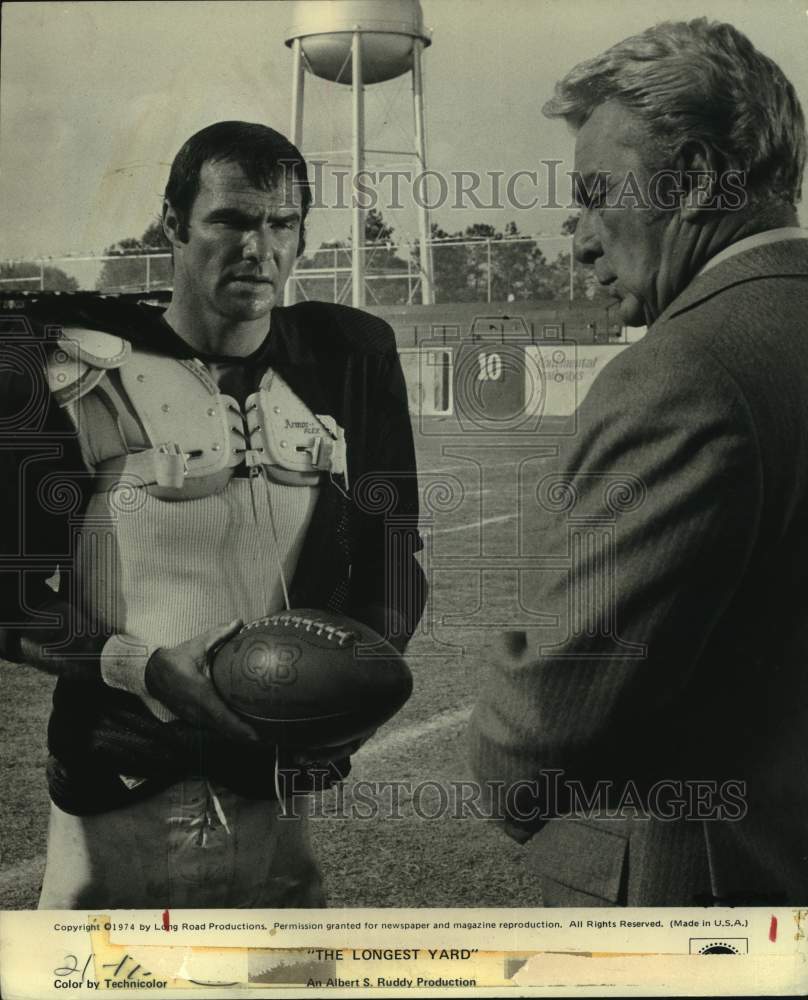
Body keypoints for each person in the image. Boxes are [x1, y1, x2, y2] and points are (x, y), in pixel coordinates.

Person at [0, 121, 425, 908]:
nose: (258, 248)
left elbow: (395, 553)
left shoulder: (350, 360)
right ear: (172, 222)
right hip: (117, 789)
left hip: (273, 802)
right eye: (230, 219)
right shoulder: (64, 363)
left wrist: (355, 690)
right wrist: (142, 667)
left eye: (282, 223)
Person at [470, 19, 808, 906]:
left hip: (703, 897)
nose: (580, 239)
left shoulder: (683, 373)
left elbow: (540, 723)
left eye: (595, 194)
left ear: (693, 180)